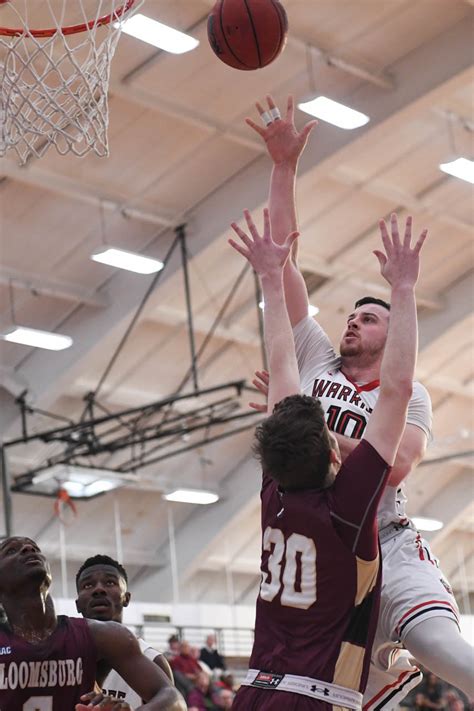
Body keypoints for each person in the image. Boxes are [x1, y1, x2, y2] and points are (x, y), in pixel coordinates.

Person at [245, 95, 474, 702]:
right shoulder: (317, 357)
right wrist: (283, 168)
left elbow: (396, 464)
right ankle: (386, 675)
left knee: (445, 652)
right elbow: (282, 267)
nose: (353, 323)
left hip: (384, 536)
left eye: (369, 319)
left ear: (391, 332)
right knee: (326, 692)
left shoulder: (413, 395)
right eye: (349, 316)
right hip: (324, 543)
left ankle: (401, 662)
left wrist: (306, 434)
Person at [228, 205, 424, 709]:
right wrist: (404, 290)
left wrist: (271, 279)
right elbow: (399, 388)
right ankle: (387, 676)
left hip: (253, 689)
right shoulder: (347, 509)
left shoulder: (275, 492)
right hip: (316, 694)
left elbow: (280, 362)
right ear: (333, 455)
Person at [0, 536, 186, 711]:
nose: (28, 548)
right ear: (77, 601)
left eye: (35, 547)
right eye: (10, 551)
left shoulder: (105, 638)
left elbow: (174, 700)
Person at [75, 554, 173, 708]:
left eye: (110, 582)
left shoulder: (152, 659)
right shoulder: (62, 654)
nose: (99, 589)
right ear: (78, 604)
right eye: (88, 585)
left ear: (126, 598)